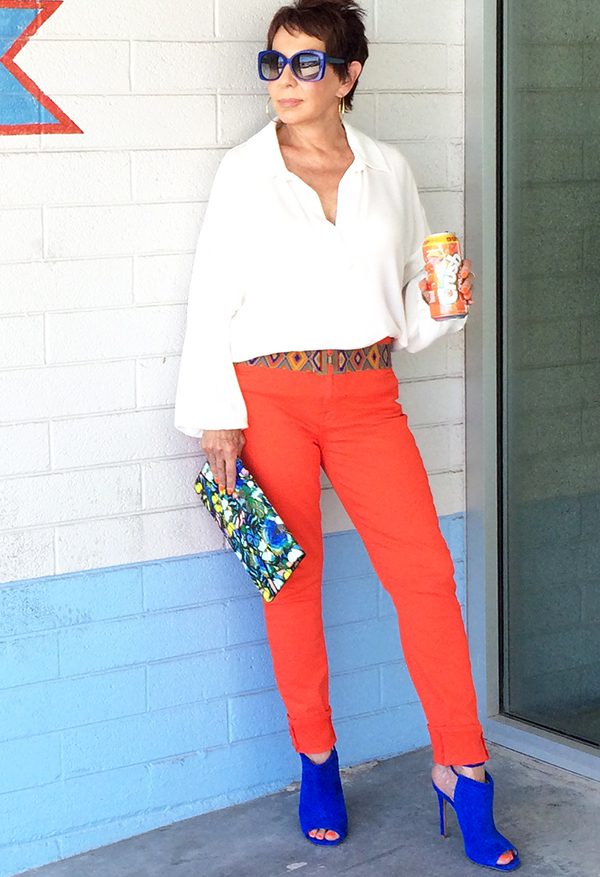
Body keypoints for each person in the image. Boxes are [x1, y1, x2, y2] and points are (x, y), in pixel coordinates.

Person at [174, 0, 520, 869]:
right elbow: (211, 296)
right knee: (291, 584)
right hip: (268, 396)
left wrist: (446, 304)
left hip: (367, 393)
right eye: (273, 63)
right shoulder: (243, 173)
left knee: (427, 579)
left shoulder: (389, 170)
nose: (283, 81)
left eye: (304, 65)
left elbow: (408, 297)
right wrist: (216, 413)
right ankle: (317, 761)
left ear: (348, 75)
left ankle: (464, 770)